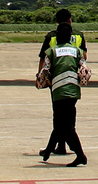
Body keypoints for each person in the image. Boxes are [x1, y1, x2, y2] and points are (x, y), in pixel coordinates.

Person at [37, 9, 87, 155]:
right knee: (68, 117)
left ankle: (63, 148)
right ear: (70, 20)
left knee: (59, 117)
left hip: (56, 84)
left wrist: (39, 79)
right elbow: (84, 58)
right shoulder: (79, 36)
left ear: (57, 21)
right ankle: (60, 147)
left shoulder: (51, 37)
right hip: (73, 82)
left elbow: (43, 60)